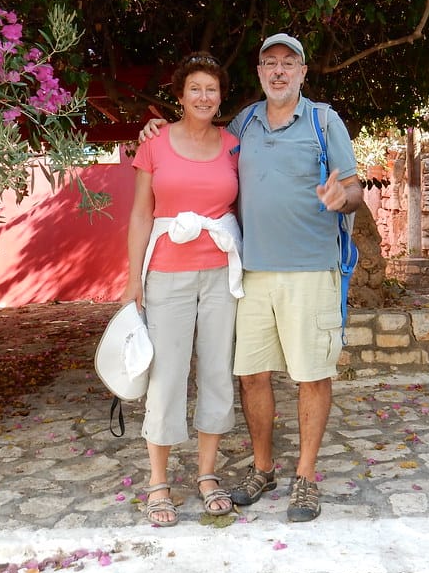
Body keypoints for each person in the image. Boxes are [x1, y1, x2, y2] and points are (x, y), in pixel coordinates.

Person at [141, 33, 363, 522]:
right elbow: (198, 138)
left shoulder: (324, 121)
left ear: (303, 72)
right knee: (251, 375)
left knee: (311, 375)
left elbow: (354, 188)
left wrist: (341, 198)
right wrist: (158, 127)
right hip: (252, 272)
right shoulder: (244, 124)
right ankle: (263, 469)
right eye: (270, 63)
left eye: (289, 63)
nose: (279, 71)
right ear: (260, 73)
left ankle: (305, 478)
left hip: (311, 270)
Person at [121, 52, 243, 527]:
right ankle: (159, 482)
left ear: (221, 97)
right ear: (180, 94)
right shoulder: (154, 143)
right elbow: (140, 213)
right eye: (195, 88)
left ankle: (207, 475)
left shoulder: (233, 146)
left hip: (220, 274)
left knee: (216, 372)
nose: (204, 96)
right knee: (166, 375)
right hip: (166, 274)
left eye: (211, 89)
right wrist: (133, 278)